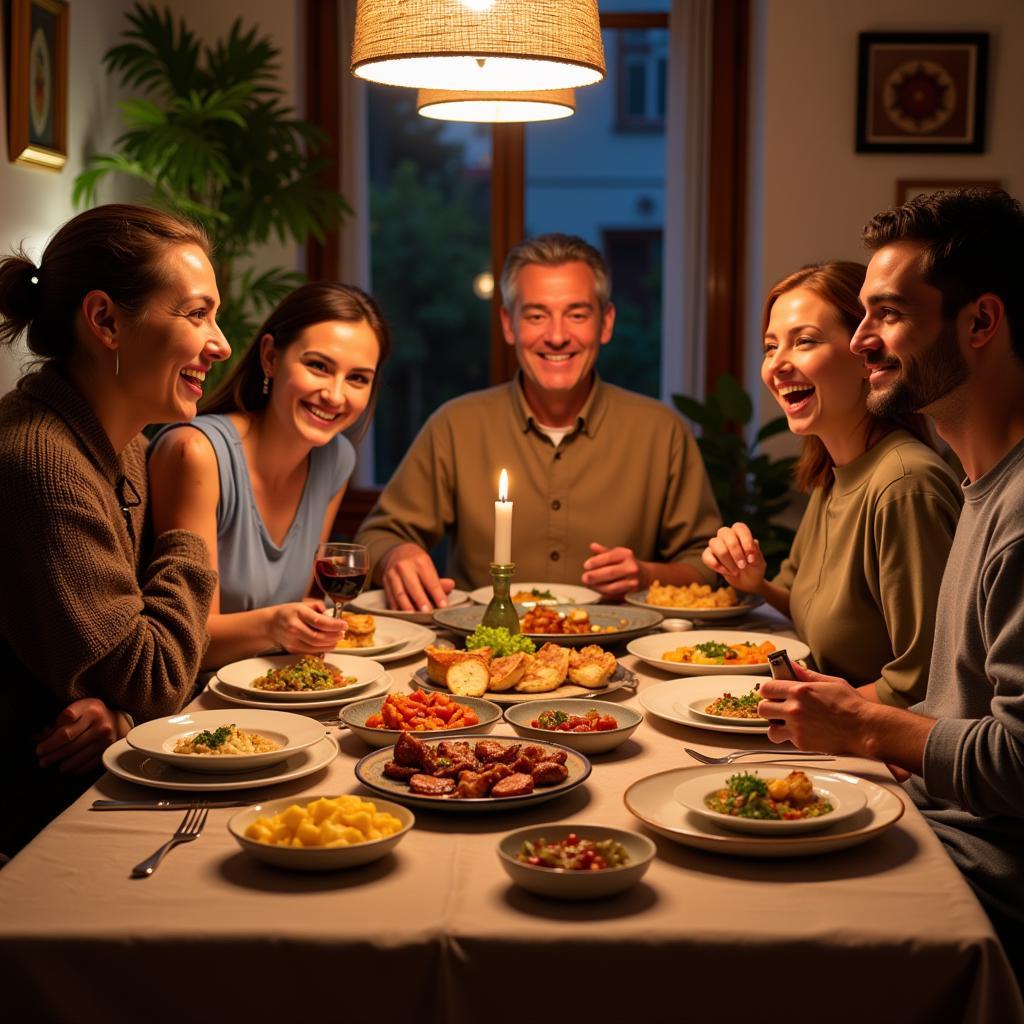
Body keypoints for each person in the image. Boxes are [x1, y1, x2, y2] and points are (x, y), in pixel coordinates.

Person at [756, 188, 1024, 975]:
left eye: (888, 316)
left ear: (980, 323)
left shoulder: (1007, 508)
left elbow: (1015, 762)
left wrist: (864, 727)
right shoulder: (982, 485)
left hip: (978, 877)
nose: (863, 341)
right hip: (929, 820)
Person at [0, 204, 230, 857]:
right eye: (197, 314)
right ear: (104, 320)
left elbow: (138, 673)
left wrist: (123, 712)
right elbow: (157, 672)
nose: (221, 343)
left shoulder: (117, 440)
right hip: (35, 828)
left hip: (89, 785)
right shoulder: (42, 463)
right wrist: (189, 520)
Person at [356, 233, 721, 611]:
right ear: (508, 324)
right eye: (536, 315)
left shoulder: (661, 432)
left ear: (606, 323)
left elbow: (707, 564)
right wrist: (396, 555)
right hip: (479, 657)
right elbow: (377, 537)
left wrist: (645, 576)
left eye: (577, 315)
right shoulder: (455, 426)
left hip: (619, 656)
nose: (557, 336)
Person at [703, 262, 961, 707]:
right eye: (770, 347)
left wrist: (809, 714)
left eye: (804, 341)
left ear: (865, 354)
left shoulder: (904, 484)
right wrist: (754, 582)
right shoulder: (832, 472)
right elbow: (808, 608)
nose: (777, 365)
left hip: (879, 754)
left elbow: (924, 680)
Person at [148, 283, 390, 668]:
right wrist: (275, 626)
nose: (335, 395)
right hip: (189, 700)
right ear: (271, 357)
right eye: (318, 366)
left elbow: (300, 606)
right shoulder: (196, 453)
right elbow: (184, 640)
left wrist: (303, 623)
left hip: (268, 691)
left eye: (358, 378)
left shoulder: (336, 458)